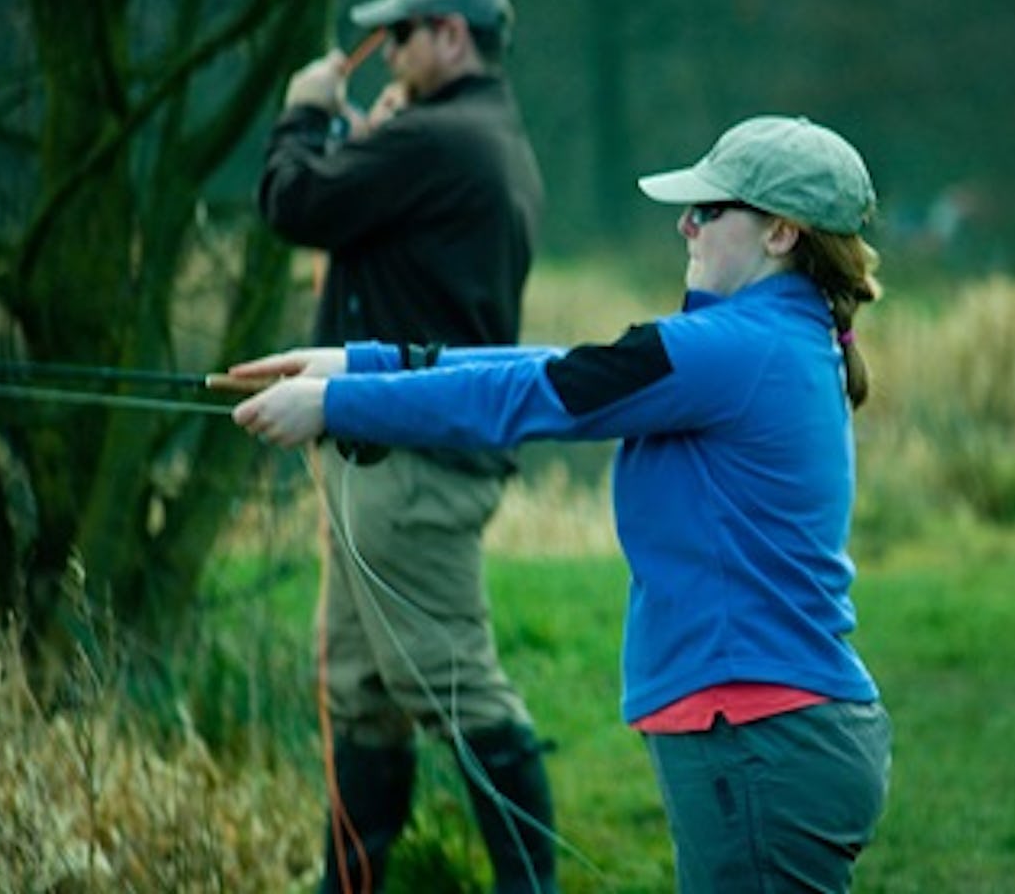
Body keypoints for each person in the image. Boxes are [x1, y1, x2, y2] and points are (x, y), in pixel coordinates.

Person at [235, 115, 893, 892]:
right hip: (770, 734)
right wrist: (367, 362)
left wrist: (343, 404)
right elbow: (562, 366)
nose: (686, 223)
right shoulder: (771, 338)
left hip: (756, 733)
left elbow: (540, 394)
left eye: (709, 209)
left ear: (781, 232)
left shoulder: (734, 349)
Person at [255, 0, 556, 894]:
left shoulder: (437, 140)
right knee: (362, 693)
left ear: (452, 36)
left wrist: (307, 112)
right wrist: (358, 137)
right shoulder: (480, 136)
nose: (384, 53)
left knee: (452, 686)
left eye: (400, 34)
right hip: (389, 456)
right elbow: (369, 210)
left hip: (412, 467)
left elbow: (295, 201)